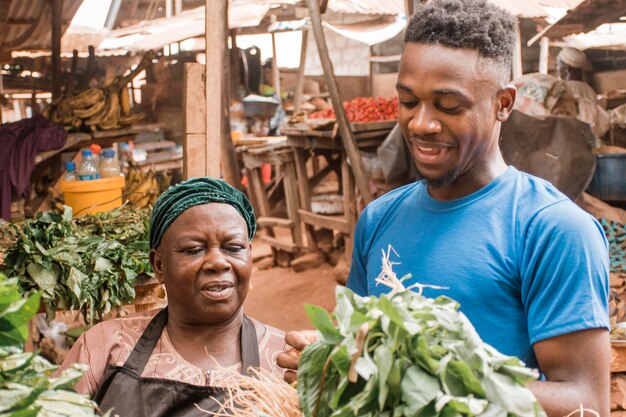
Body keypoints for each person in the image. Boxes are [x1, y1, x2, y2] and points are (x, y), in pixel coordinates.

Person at [277, 1, 610, 416]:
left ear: (503, 104)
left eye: (447, 106)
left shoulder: (552, 230)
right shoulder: (379, 220)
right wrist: (331, 358)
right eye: (407, 101)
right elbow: (362, 353)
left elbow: (586, 401)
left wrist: (424, 376)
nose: (421, 123)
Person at [59, 178, 285, 417]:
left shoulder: (284, 361)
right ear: (159, 265)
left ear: (249, 255)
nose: (218, 262)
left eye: (233, 247)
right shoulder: (106, 348)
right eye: (193, 249)